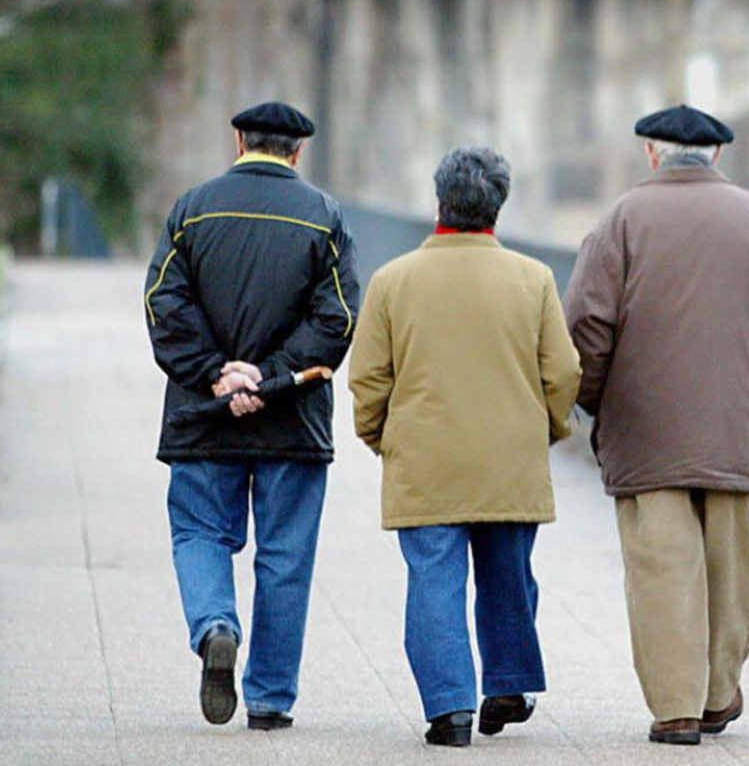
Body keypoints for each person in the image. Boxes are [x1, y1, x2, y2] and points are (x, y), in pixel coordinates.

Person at [563, 104, 749, 745]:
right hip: (734, 430)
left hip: (645, 431)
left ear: (652, 156)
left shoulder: (622, 220)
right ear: (718, 157)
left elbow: (585, 327)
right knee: (729, 566)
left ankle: (676, 707)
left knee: (662, 567)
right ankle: (718, 696)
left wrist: (592, 401)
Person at [348, 146, 581, 748]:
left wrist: (381, 437)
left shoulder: (393, 281)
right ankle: (506, 681)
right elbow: (562, 373)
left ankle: (449, 708)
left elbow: (369, 378)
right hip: (509, 456)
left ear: (439, 204)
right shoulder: (534, 280)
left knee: (434, 581)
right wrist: (548, 429)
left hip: (425, 456)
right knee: (508, 574)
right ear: (497, 209)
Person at [143, 101, 360, 730]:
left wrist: (217, 372)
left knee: (199, 532)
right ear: (297, 152)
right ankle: (269, 700)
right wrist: (271, 377)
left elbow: (162, 301)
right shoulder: (324, 217)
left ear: (239, 139)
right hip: (292, 419)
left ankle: (215, 624)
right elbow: (337, 317)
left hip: (202, 414)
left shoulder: (193, 208)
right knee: (285, 556)